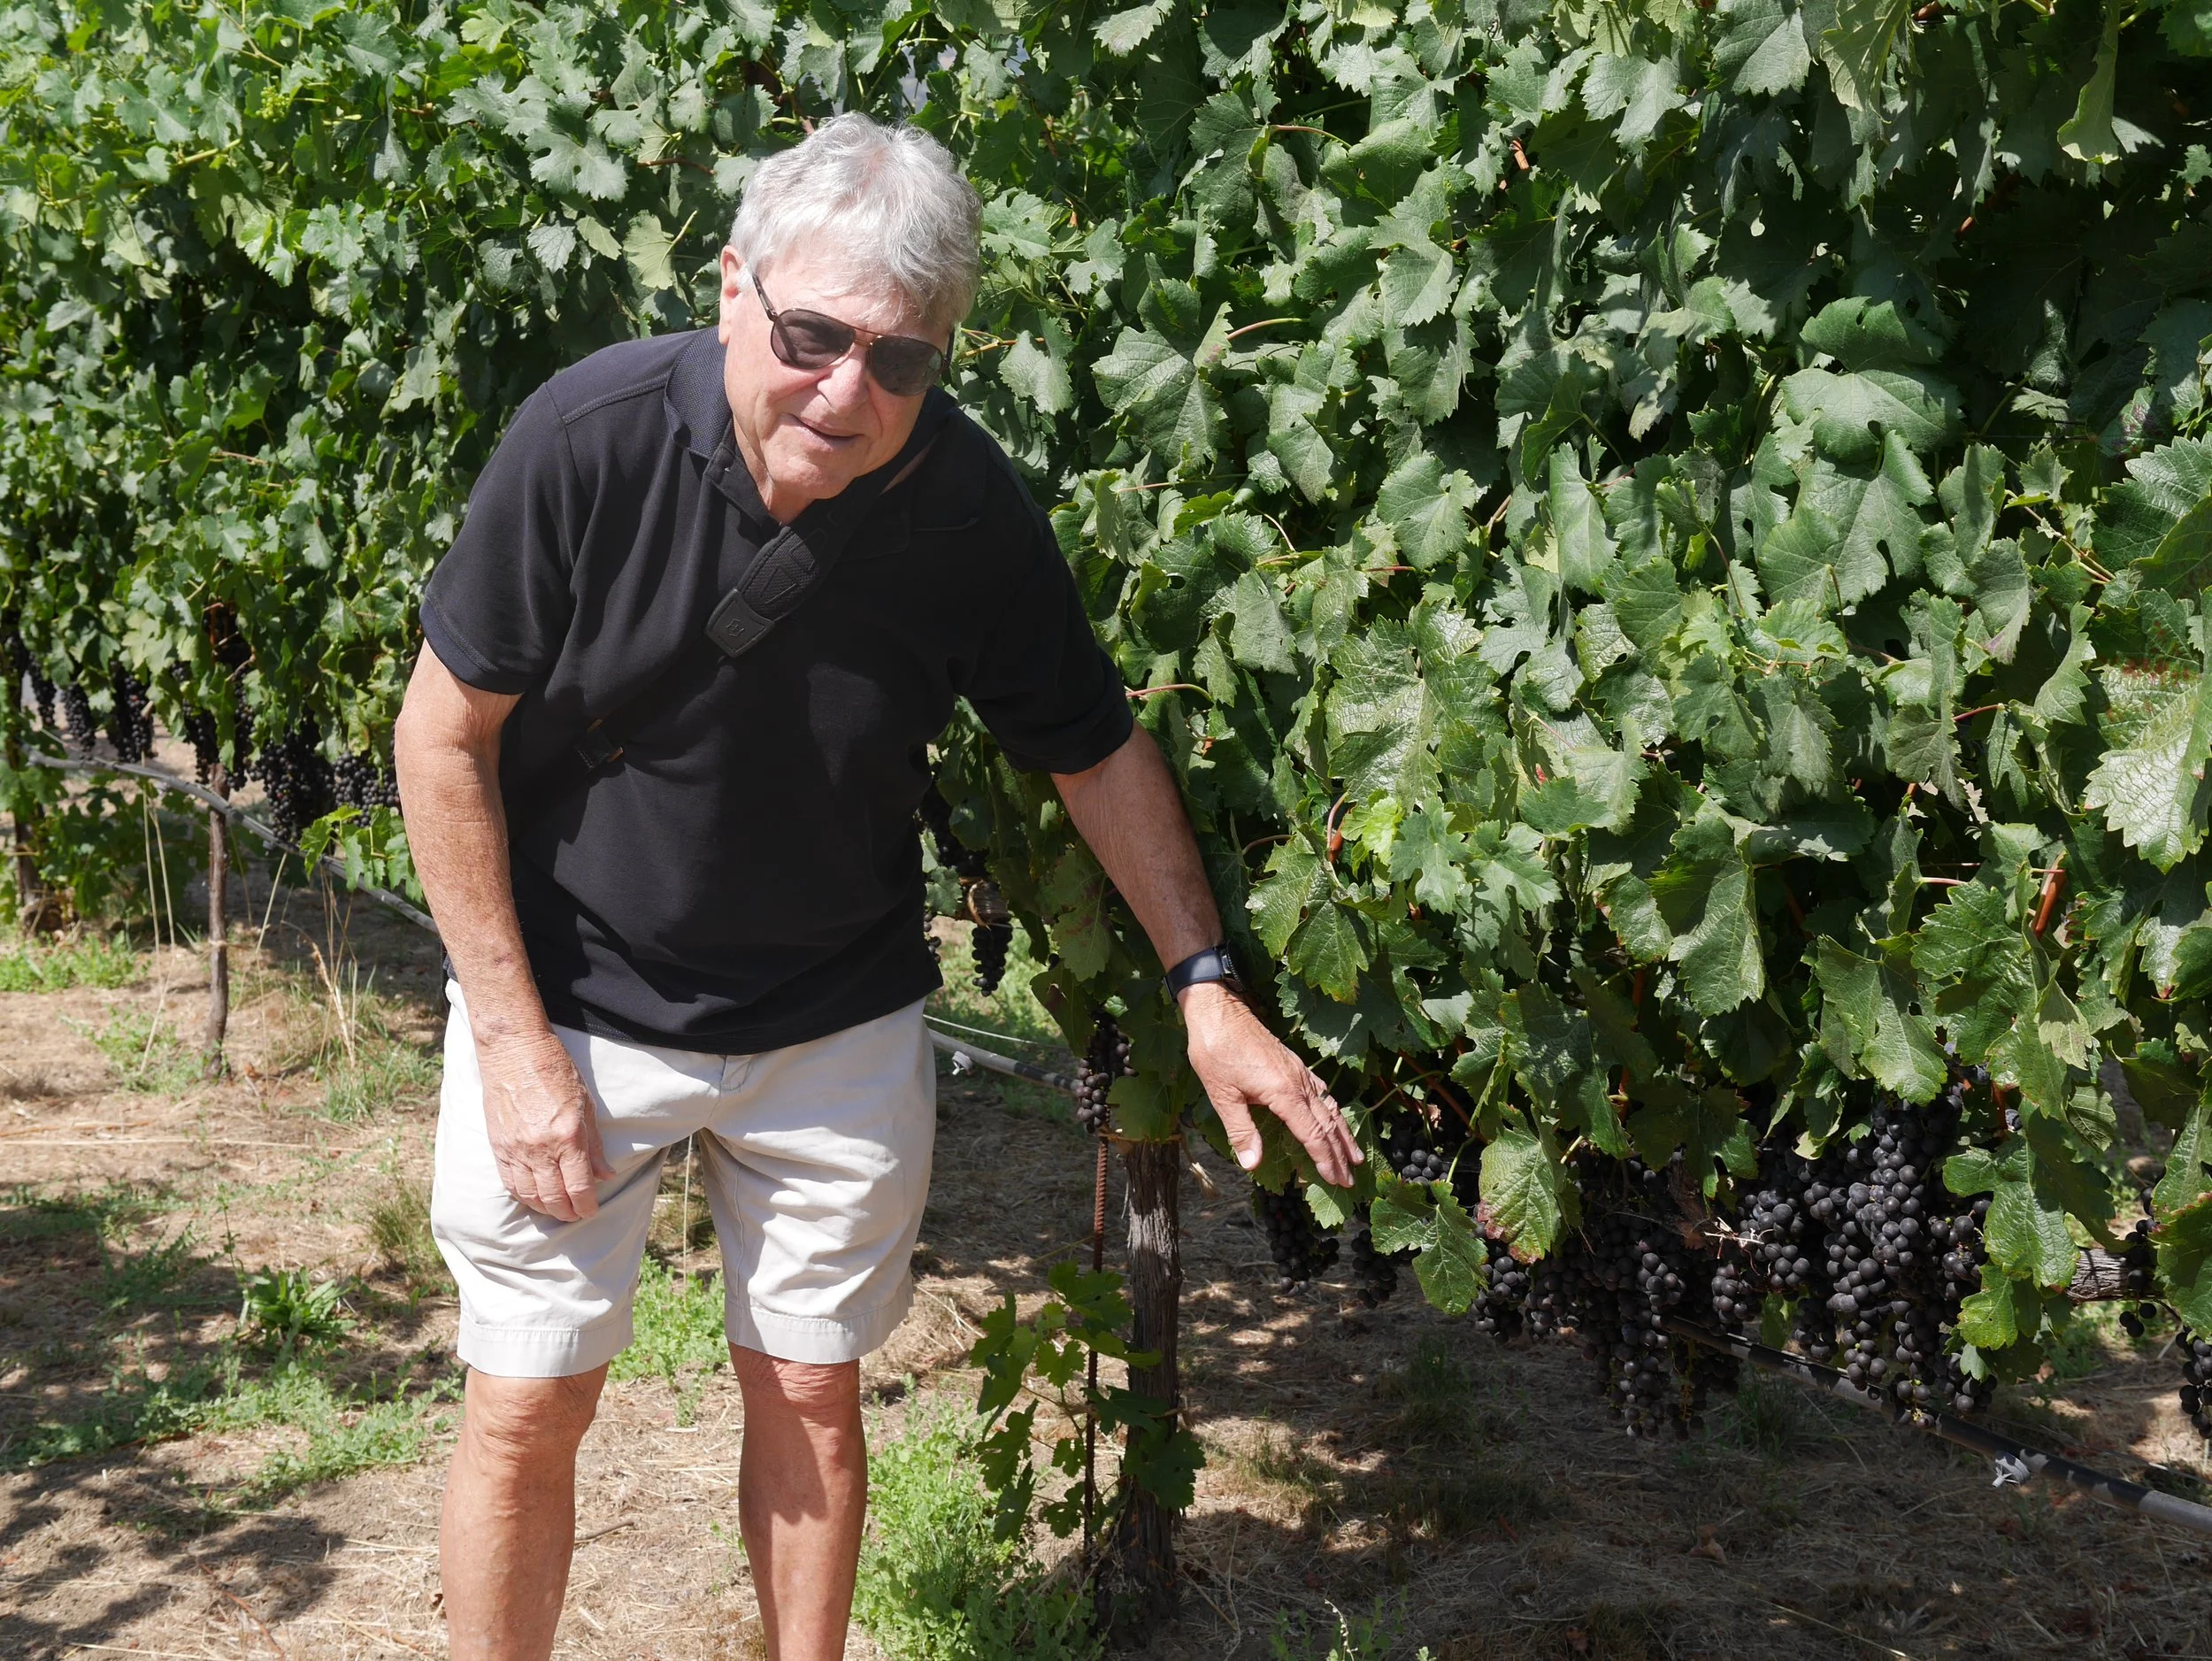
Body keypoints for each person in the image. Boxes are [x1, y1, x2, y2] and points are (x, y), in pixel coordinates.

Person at [392, 111, 1360, 1661]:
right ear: (731, 290)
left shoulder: (963, 508)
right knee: (528, 1402)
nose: (847, 392)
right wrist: (512, 1046)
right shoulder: (589, 441)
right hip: (572, 1002)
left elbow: (1092, 747)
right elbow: (440, 738)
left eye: (899, 362)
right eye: (813, 337)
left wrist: (1204, 984)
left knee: (814, 1399)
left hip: (834, 1015)